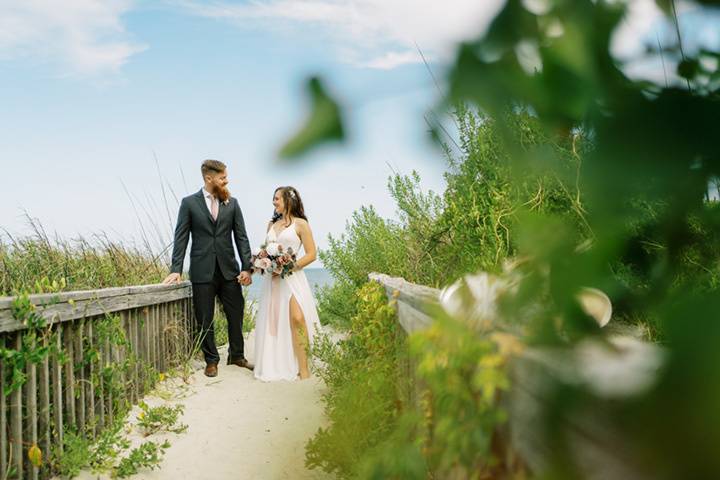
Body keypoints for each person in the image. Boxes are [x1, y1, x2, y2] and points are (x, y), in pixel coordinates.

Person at [162, 159, 253, 377]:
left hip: (229, 270)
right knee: (205, 317)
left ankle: (237, 355)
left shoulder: (232, 203)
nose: (226, 180)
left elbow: (241, 237)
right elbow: (181, 237)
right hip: (202, 271)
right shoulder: (189, 203)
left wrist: (247, 267)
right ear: (209, 178)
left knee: (236, 313)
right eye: (222, 177)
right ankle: (211, 360)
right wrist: (176, 268)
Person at [253, 186, 322, 381]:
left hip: (292, 278)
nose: (274, 202)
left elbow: (312, 254)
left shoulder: (301, 224)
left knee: (297, 318)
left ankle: (304, 369)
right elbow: (265, 250)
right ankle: (278, 364)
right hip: (272, 281)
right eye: (273, 199)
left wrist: (290, 267)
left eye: (277, 199)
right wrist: (262, 262)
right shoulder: (271, 225)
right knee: (276, 322)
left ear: (288, 200)